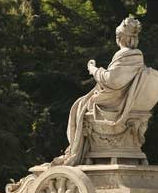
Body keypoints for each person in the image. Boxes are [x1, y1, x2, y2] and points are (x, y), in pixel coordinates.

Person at [53, 17, 146, 166]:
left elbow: (111, 80)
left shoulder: (125, 55)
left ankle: (77, 151)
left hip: (114, 100)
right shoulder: (137, 56)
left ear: (120, 37)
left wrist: (93, 69)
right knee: (81, 103)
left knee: (80, 105)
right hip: (122, 98)